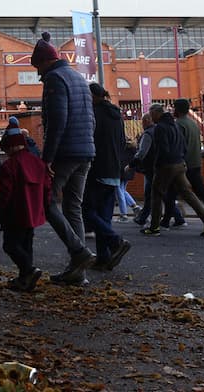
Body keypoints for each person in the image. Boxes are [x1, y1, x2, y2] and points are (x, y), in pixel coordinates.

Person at [30, 32, 97, 284]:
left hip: (66, 152)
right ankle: (78, 274)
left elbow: (57, 121)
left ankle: (78, 252)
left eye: (38, 67)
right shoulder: (78, 78)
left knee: (46, 201)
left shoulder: (55, 79)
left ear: (46, 62)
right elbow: (90, 119)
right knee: (73, 207)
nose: (38, 74)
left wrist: (47, 158)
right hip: (85, 152)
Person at [140, 103, 204, 237]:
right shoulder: (175, 125)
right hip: (180, 163)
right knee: (188, 194)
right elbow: (183, 145)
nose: (151, 118)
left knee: (157, 194)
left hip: (166, 165)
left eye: (152, 114)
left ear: (157, 113)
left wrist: (157, 164)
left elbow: (162, 149)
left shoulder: (160, 128)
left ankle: (154, 227)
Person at [82, 83, 132, 272]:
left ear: (93, 97)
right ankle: (104, 257)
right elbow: (121, 142)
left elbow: (90, 140)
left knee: (87, 210)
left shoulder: (94, 113)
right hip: (114, 170)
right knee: (104, 215)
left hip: (98, 168)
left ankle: (115, 241)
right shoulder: (116, 115)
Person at [0, 121, 51, 292]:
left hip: (14, 213)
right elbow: (47, 187)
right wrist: (44, 205)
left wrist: (1, 212)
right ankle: (25, 279)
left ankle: (28, 271)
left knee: (10, 245)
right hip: (34, 212)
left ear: (10, 147)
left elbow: (5, 193)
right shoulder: (37, 162)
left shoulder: (9, 165)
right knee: (27, 245)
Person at [172, 98, 204, 231]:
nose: (172, 110)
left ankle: (174, 220)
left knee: (169, 193)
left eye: (173, 108)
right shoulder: (193, 123)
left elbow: (179, 146)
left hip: (184, 165)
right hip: (196, 163)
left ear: (177, 109)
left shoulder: (178, 125)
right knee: (202, 194)